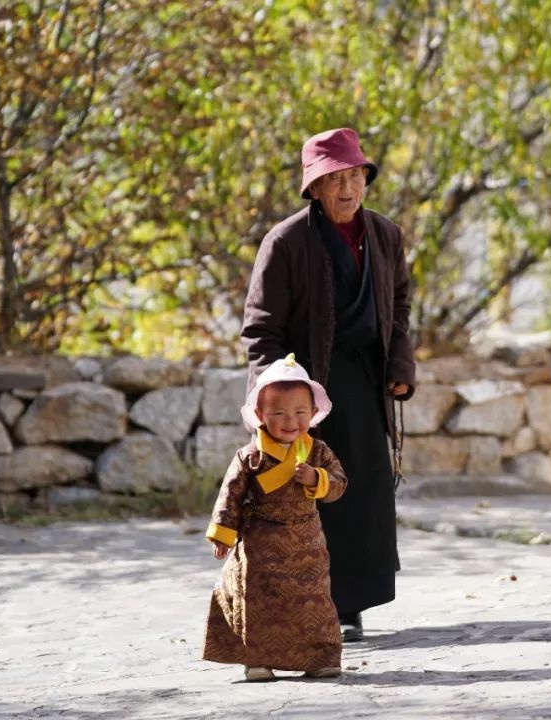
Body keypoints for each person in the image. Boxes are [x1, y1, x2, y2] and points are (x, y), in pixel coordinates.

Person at [241, 127, 416, 643]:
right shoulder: (286, 241)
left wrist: (399, 368)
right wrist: (276, 394)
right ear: (314, 189)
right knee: (307, 493)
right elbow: (260, 327)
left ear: (366, 179)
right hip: (304, 388)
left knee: (361, 492)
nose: (346, 190)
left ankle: (352, 603)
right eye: (333, 180)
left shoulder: (385, 235)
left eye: (355, 177)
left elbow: (399, 308)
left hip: (363, 380)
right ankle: (315, 603)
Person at [203, 353, 349, 681]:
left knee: (314, 601)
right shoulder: (249, 457)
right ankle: (258, 660)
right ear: (260, 414)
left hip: (306, 543)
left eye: (299, 412)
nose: (290, 421)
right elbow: (231, 495)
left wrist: (317, 479)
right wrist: (223, 534)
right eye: (279, 413)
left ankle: (319, 658)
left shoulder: (318, 452)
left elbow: (339, 482)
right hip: (260, 543)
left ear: (313, 414)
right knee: (259, 602)